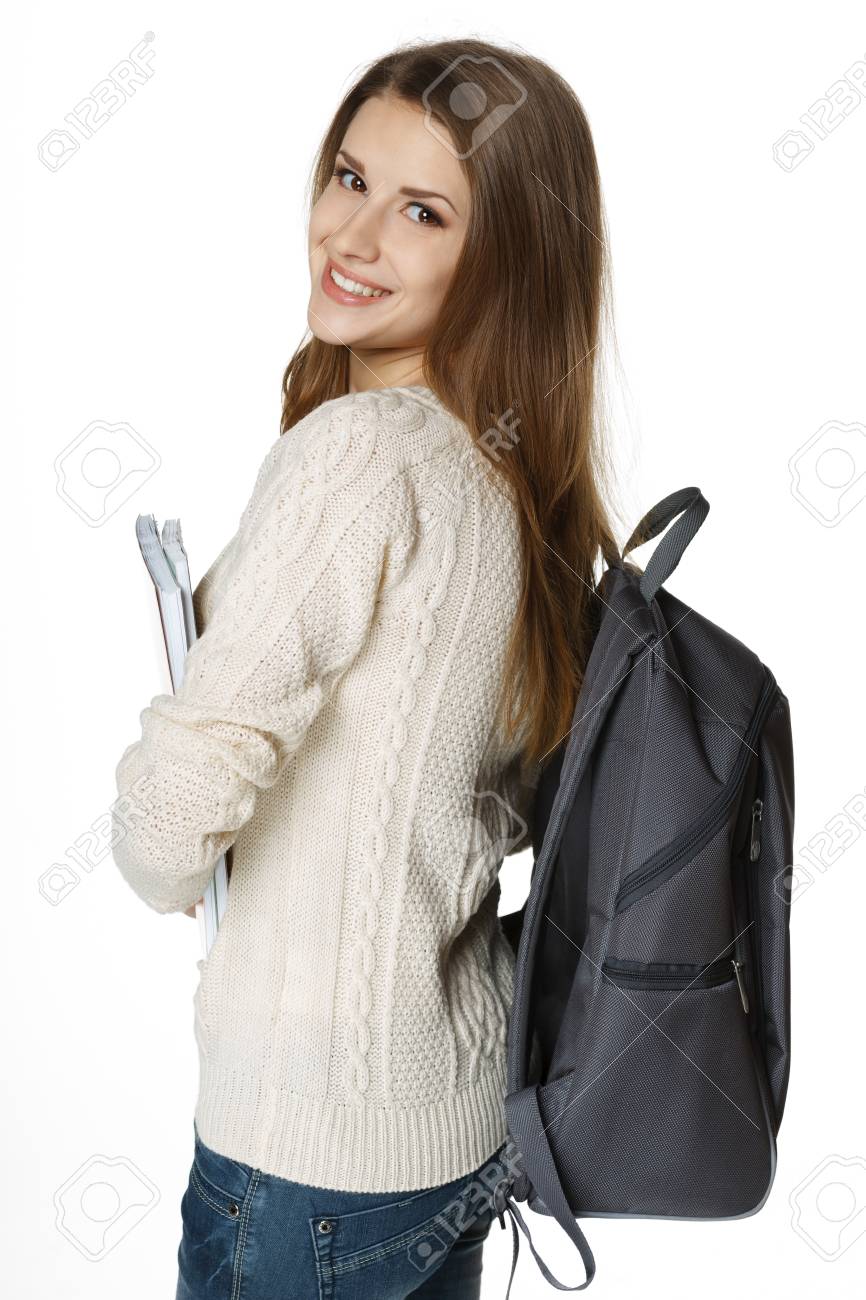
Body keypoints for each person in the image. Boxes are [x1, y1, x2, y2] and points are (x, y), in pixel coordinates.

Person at [111, 35, 622, 1300]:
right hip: (450, 1136)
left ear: (503, 256)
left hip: (306, 1156)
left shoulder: (359, 456)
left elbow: (176, 810)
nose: (351, 234)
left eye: (421, 212)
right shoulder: (518, 477)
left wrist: (162, 857)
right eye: (349, 178)